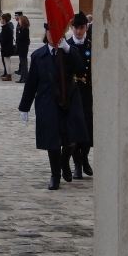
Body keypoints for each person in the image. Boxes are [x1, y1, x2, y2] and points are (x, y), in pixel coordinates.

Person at [18, 23, 89, 190]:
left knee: (71, 138)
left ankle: (64, 161)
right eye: (49, 31)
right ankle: (55, 175)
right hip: (48, 100)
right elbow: (32, 82)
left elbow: (79, 66)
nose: (52, 35)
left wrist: (68, 50)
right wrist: (24, 106)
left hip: (69, 99)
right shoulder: (38, 55)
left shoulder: (69, 51)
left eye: (55, 31)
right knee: (53, 139)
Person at [68, 11, 93, 178]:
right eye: (76, 28)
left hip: (87, 92)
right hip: (72, 92)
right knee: (74, 130)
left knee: (88, 129)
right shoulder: (67, 45)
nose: (79, 31)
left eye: (82, 28)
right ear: (71, 28)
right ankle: (77, 162)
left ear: (86, 28)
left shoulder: (91, 45)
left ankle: (85, 157)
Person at [0, 13, 14, 81]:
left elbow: (5, 38)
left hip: (7, 47)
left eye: (1, 19)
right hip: (6, 46)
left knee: (7, 61)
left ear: (4, 20)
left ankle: (8, 74)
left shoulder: (7, 28)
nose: (0, 20)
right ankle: (8, 73)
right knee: (6, 61)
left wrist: (2, 44)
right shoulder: (6, 27)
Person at [16, 15, 31, 83]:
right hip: (21, 48)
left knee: (23, 63)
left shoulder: (25, 30)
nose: (19, 22)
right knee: (22, 63)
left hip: (23, 48)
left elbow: (20, 38)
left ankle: (24, 77)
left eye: (20, 20)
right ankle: (23, 76)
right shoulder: (21, 29)